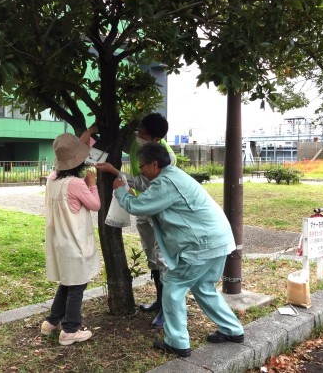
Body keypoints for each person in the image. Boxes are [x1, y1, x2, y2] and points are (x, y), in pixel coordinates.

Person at [112, 143, 244, 358]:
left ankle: (177, 342)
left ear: (155, 164)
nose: (141, 171)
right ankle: (232, 329)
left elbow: (138, 206)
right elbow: (149, 198)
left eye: (142, 166)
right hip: (218, 240)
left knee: (173, 287)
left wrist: (120, 190)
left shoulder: (167, 182)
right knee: (203, 287)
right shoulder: (174, 175)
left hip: (201, 246)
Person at [90, 113, 176, 329]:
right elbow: (116, 140)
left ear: (151, 135)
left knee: (162, 258)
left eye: (141, 129)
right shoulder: (138, 144)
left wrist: (118, 178)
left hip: (159, 213)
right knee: (152, 257)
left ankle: (168, 310)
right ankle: (159, 301)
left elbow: (149, 186)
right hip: (144, 211)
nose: (137, 132)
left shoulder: (165, 155)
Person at [40, 133, 101, 346]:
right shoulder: (76, 183)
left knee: (67, 283)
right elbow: (95, 205)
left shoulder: (52, 180)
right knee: (77, 286)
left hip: (60, 242)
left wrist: (89, 130)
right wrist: (92, 183)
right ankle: (70, 330)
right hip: (75, 242)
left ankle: (51, 322)